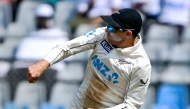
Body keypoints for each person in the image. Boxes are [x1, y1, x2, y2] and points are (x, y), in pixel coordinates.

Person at [27, 8, 151, 109]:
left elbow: (132, 105)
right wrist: (42, 64)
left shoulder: (141, 64)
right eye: (108, 24)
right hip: (80, 105)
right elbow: (67, 47)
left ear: (128, 34)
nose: (107, 29)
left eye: (113, 28)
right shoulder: (102, 35)